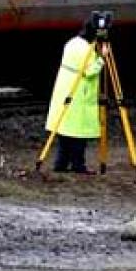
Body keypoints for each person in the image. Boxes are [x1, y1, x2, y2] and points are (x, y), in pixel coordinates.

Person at [43, 15, 106, 174]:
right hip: (79, 94)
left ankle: (60, 164)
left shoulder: (71, 42)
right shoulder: (87, 49)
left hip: (65, 90)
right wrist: (102, 58)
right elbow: (90, 72)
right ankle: (79, 165)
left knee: (65, 131)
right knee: (79, 133)